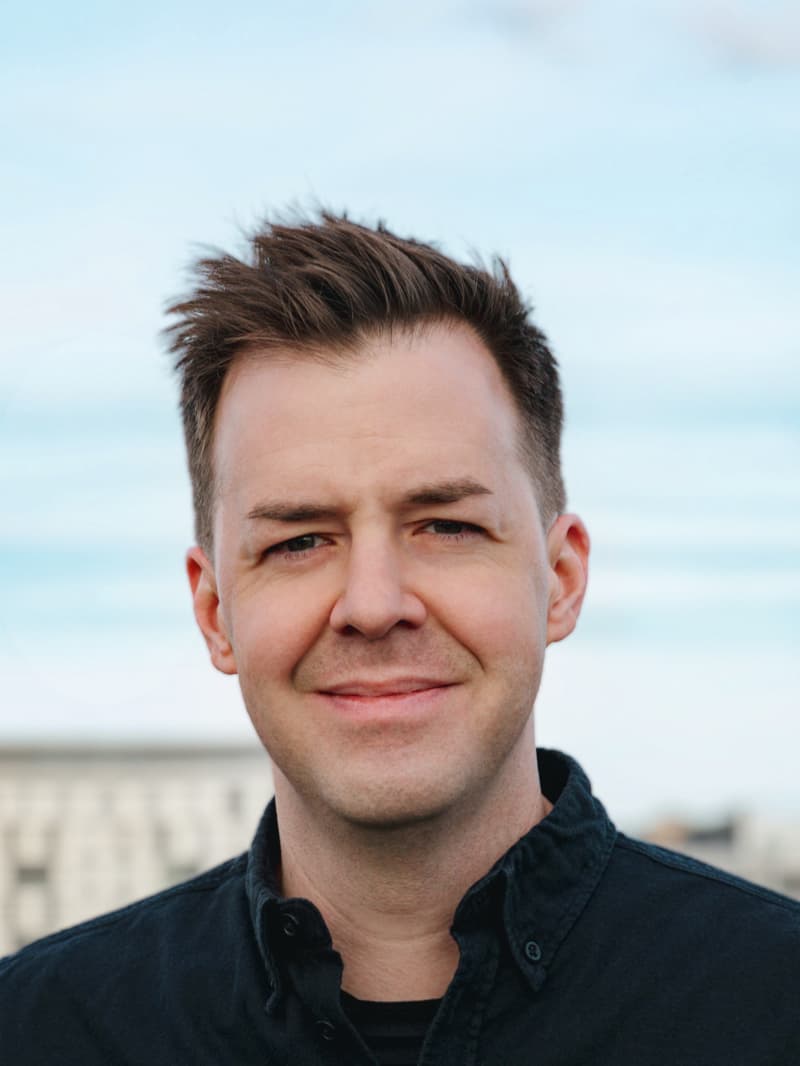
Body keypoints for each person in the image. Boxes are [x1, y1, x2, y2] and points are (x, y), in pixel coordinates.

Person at [1, 212, 797, 1066]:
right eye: (300, 541)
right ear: (214, 611)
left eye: (446, 526)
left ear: (561, 579)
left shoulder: (774, 1005)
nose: (374, 605)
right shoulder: (39, 1031)